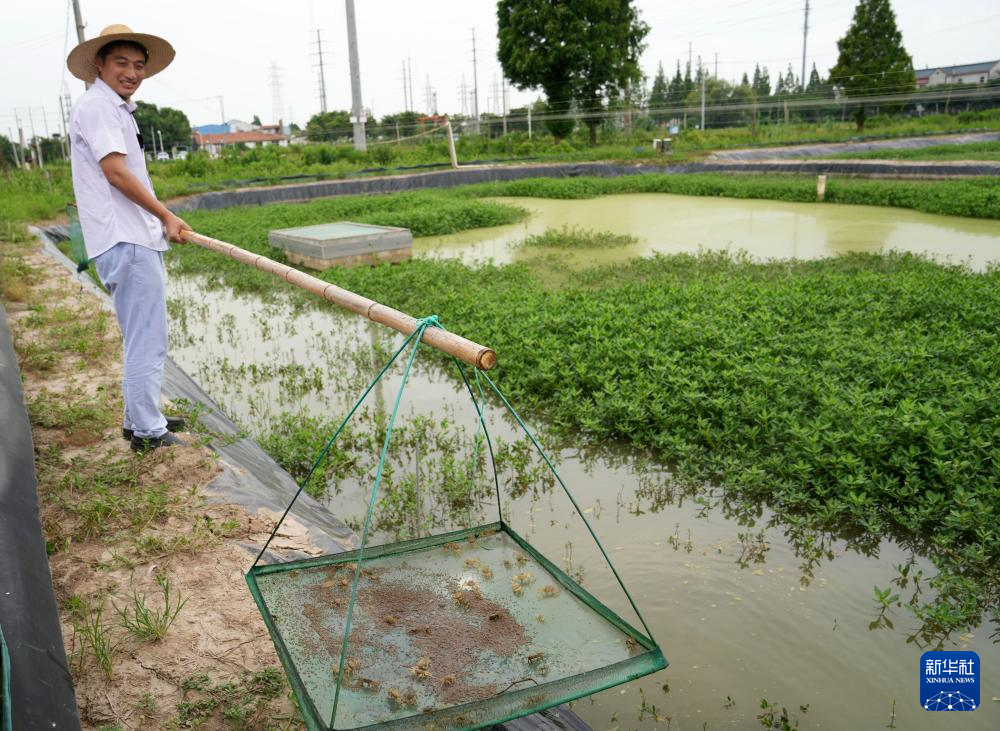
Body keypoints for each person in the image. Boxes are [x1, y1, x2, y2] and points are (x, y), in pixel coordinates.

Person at [67, 24, 191, 452]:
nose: (132, 72)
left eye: (139, 65)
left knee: (139, 334)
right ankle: (148, 433)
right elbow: (116, 173)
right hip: (127, 238)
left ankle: (138, 416)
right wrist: (166, 215)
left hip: (129, 237)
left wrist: (157, 221)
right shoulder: (99, 107)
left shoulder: (115, 109)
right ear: (99, 65)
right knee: (149, 338)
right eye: (121, 63)